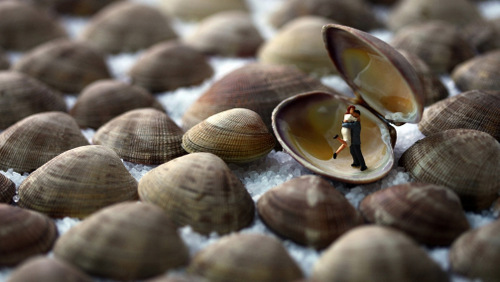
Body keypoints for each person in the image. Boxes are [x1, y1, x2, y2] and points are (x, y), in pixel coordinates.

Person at [333, 107, 367, 171]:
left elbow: (347, 125)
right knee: (352, 152)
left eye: (354, 114)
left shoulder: (357, 124)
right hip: (351, 140)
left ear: (357, 115)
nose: (353, 115)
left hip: (356, 141)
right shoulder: (355, 122)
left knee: (358, 153)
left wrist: (343, 122)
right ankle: (356, 162)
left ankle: (363, 165)